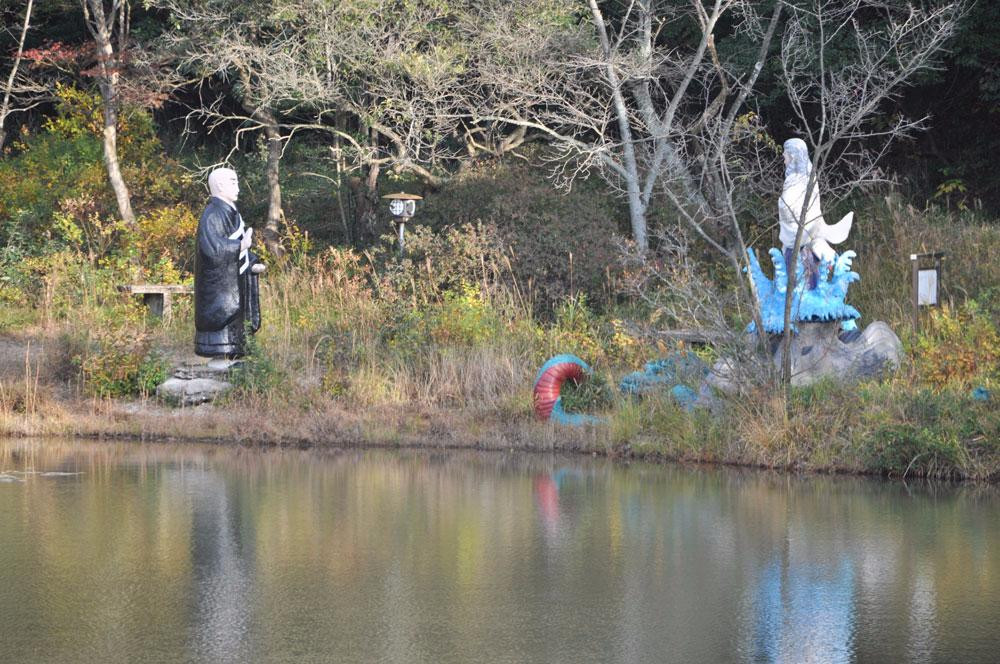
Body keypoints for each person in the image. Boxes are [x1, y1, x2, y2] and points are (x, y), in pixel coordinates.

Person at [194, 168, 264, 358]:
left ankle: (236, 351)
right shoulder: (212, 215)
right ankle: (219, 352)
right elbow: (212, 250)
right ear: (220, 185)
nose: (238, 187)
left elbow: (240, 252)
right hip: (218, 287)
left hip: (235, 282)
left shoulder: (233, 214)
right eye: (233, 182)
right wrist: (240, 245)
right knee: (223, 319)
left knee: (238, 318)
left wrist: (251, 264)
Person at [778, 138, 853, 288]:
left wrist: (785, 206)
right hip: (794, 239)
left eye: (785, 155)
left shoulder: (804, 180)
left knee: (805, 284)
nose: (784, 160)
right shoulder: (794, 180)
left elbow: (800, 210)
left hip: (801, 240)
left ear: (793, 156)